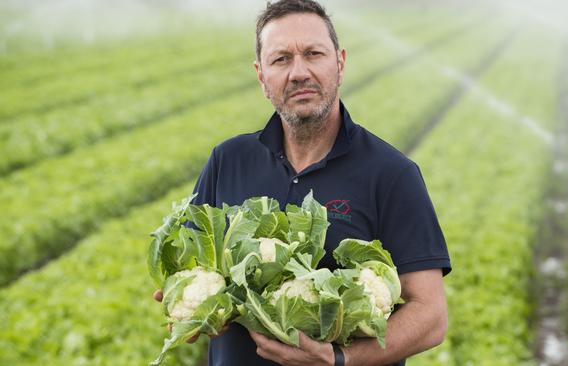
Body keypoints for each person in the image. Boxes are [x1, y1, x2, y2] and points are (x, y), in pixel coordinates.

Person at [155, 0, 451, 365]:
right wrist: (193, 305)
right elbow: (193, 266)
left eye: (313, 54)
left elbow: (431, 317)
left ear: (339, 64)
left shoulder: (391, 174)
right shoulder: (227, 160)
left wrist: (340, 359)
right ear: (262, 76)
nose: (299, 72)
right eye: (281, 59)